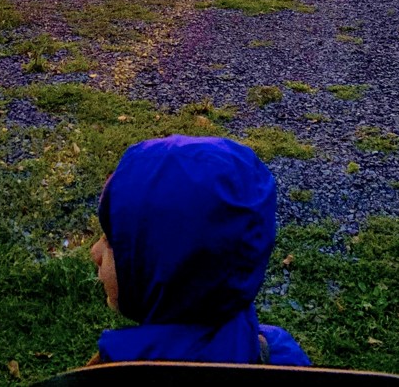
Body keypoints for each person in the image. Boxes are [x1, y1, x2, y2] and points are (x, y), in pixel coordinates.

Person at [88, 135, 310, 366]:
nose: (95, 252)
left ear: (168, 266)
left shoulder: (106, 375)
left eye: (111, 240)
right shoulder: (281, 355)